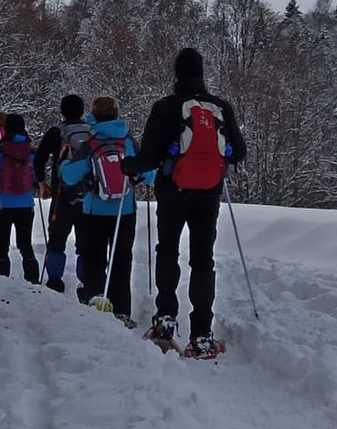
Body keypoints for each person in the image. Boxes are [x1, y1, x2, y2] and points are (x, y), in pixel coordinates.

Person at [123, 48, 247, 359]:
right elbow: (239, 152)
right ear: (202, 72)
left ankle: (165, 323)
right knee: (203, 260)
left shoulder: (166, 107)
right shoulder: (221, 107)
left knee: (168, 251)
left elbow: (149, 157)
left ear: (176, 73)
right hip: (209, 194)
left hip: (172, 191)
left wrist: (130, 166)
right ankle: (202, 336)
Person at [61, 96, 154, 328]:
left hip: (94, 211)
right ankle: (122, 311)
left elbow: (70, 176)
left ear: (95, 115)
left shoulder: (91, 143)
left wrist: (63, 164)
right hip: (125, 210)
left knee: (94, 259)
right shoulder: (128, 141)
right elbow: (149, 174)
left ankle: (97, 305)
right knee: (122, 260)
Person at [33, 94, 89, 295]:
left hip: (61, 196)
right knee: (86, 244)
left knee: (57, 240)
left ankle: (54, 283)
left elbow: (38, 159)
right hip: (87, 197)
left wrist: (41, 184)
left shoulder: (56, 133)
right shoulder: (91, 132)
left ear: (62, 111)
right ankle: (86, 285)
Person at [0, 112, 40, 283]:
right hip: (26, 204)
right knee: (25, 244)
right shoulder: (31, 151)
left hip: (3, 204)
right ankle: (34, 280)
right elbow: (36, 178)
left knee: (2, 247)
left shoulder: (0, 151)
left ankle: (2, 280)